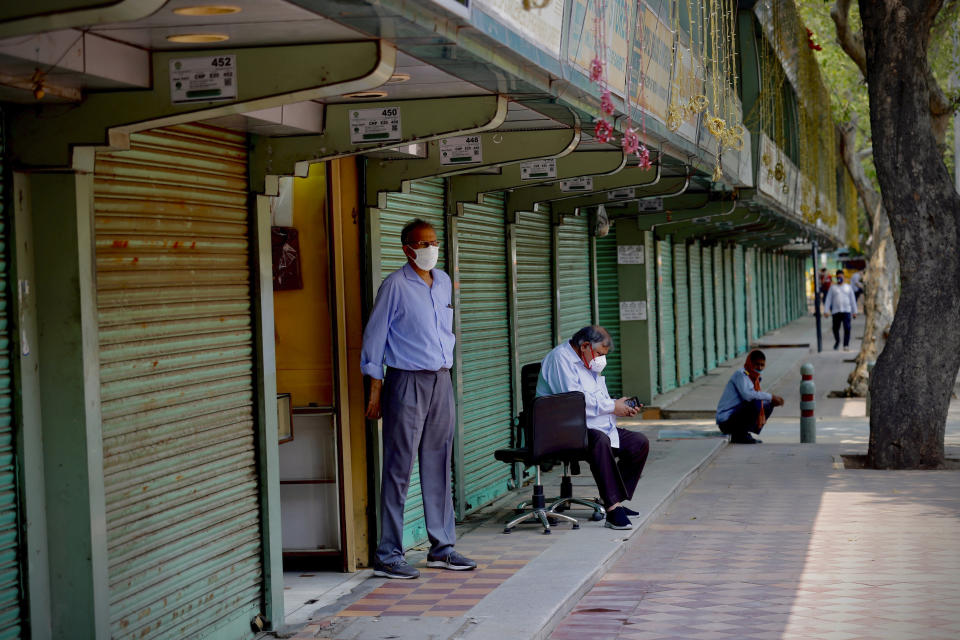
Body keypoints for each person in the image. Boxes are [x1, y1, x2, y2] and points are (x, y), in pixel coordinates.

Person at [361, 218, 476, 579]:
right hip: (405, 380)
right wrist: (376, 389)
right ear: (406, 248)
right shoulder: (394, 286)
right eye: (422, 243)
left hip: (441, 379)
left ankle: (442, 548)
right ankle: (388, 553)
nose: (430, 249)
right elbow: (374, 339)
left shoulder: (442, 282)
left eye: (433, 242)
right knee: (398, 466)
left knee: (439, 461)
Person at [537, 326, 650, 530]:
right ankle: (613, 508)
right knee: (599, 440)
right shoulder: (560, 359)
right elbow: (575, 401)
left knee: (638, 443)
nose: (601, 359)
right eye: (599, 353)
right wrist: (611, 407)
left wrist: (619, 406)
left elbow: (598, 400)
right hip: (562, 428)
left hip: (589, 426)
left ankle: (613, 501)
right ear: (585, 346)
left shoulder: (589, 364)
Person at [716, 350, 785, 444]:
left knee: (768, 404)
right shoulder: (741, 374)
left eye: (762, 365)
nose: (759, 368)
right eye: (757, 364)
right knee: (755, 402)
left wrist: (772, 401)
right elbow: (748, 395)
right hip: (726, 422)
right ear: (750, 363)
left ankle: (744, 433)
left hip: (735, 417)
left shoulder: (753, 378)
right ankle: (740, 435)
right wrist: (771, 396)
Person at [823, 269, 858, 351]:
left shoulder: (848, 287)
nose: (839, 278)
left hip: (846, 311)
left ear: (844, 277)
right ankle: (837, 341)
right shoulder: (833, 288)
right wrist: (826, 311)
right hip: (836, 311)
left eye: (841, 277)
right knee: (835, 328)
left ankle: (846, 345)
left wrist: (854, 312)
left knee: (847, 328)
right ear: (836, 277)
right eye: (838, 277)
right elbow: (828, 300)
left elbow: (852, 300)